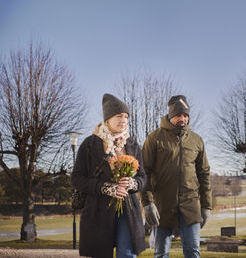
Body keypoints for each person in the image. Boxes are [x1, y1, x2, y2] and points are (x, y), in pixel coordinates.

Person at [71, 93, 146, 258]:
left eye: (126, 116)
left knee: (127, 254)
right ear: (107, 119)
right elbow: (76, 179)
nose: (124, 120)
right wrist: (106, 188)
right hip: (98, 211)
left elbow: (142, 177)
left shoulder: (132, 145)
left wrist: (132, 183)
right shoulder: (89, 145)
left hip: (128, 210)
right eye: (119, 116)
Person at [141, 95, 212, 258]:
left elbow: (204, 174)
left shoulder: (196, 140)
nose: (183, 118)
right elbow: (144, 172)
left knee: (193, 252)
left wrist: (207, 206)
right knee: (161, 253)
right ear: (170, 116)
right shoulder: (154, 138)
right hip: (162, 204)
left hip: (190, 203)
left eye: (186, 115)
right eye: (179, 115)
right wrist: (147, 203)